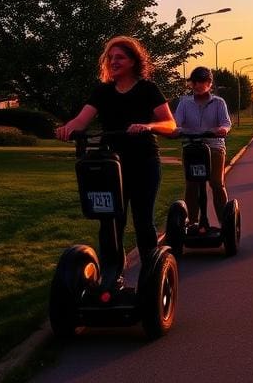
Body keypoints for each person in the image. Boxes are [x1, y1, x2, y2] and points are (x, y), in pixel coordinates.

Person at [55, 36, 176, 281]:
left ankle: (150, 278)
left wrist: (148, 125)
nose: (113, 62)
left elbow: (171, 125)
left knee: (143, 222)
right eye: (110, 58)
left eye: (119, 57)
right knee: (110, 222)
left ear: (133, 61)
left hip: (144, 163)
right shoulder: (102, 92)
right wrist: (67, 129)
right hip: (111, 166)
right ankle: (112, 275)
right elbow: (81, 120)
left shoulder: (148, 89)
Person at [173, 66, 232, 225]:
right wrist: (176, 131)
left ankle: (224, 223)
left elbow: (226, 123)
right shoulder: (184, 103)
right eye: (194, 82)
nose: (197, 85)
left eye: (201, 81)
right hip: (191, 147)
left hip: (214, 146)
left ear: (209, 83)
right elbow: (176, 124)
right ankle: (191, 222)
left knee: (216, 183)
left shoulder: (219, 103)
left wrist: (222, 130)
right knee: (191, 184)